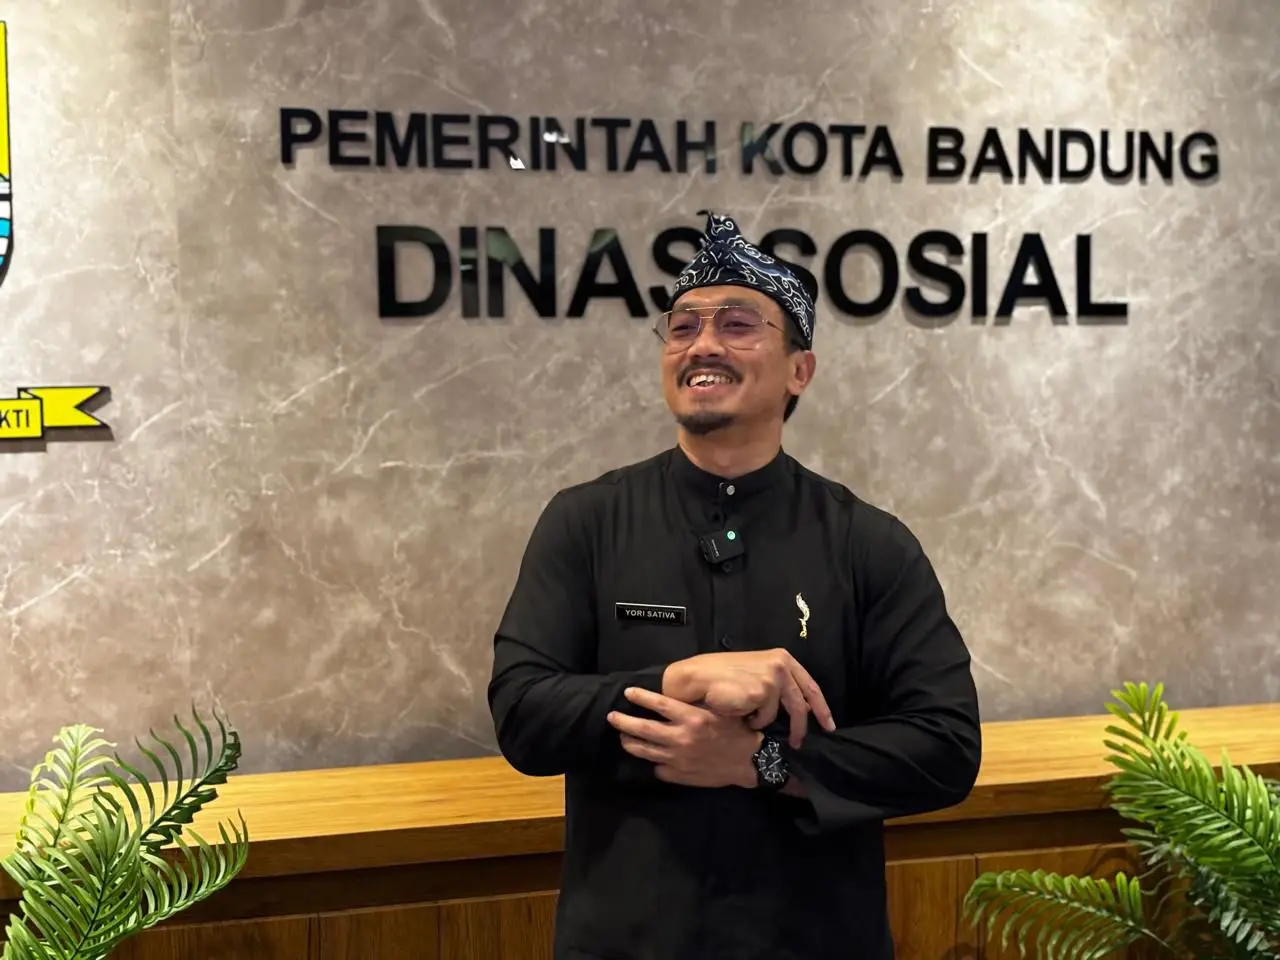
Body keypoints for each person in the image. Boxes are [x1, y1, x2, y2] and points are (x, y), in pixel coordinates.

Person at [487, 211, 982, 960]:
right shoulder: (586, 521)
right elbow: (523, 713)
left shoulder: (867, 542)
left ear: (799, 371)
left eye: (739, 324)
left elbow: (944, 747)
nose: (703, 344)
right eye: (682, 326)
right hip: (626, 941)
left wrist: (762, 764)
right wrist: (676, 680)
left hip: (815, 942)